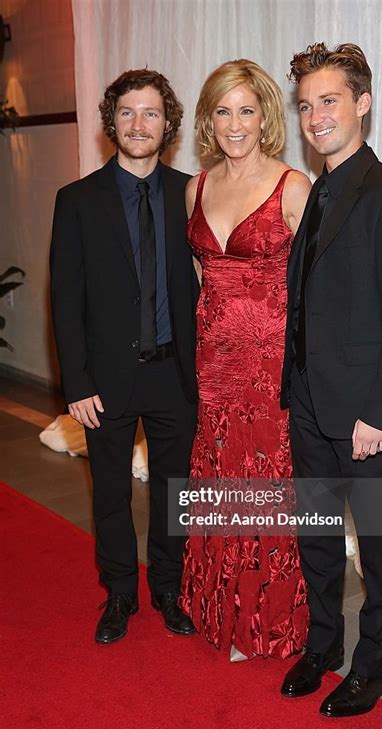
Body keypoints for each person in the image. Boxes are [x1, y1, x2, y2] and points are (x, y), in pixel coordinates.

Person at [280, 43, 382, 715]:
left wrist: (381, 412)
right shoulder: (316, 194)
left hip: (364, 413)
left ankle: (375, 667)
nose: (316, 118)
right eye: (307, 106)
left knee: (375, 545)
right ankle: (323, 645)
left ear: (363, 103)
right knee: (315, 531)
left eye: (330, 101)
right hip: (310, 402)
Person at [50, 69, 199, 644]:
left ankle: (167, 587)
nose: (141, 124)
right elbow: (65, 300)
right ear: (112, 122)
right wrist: (76, 382)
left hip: (173, 374)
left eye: (153, 113)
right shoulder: (78, 201)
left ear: (169, 125)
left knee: (174, 491)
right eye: (129, 113)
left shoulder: (189, 194)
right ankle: (119, 592)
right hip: (105, 380)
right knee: (110, 492)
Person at [179, 59, 312, 659]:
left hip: (270, 365)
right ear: (210, 119)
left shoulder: (293, 186)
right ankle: (221, 607)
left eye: (247, 110)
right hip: (215, 362)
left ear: (266, 117)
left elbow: (317, 289)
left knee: (268, 480)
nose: (235, 124)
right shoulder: (197, 186)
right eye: (223, 111)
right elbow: (204, 275)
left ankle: (266, 616)